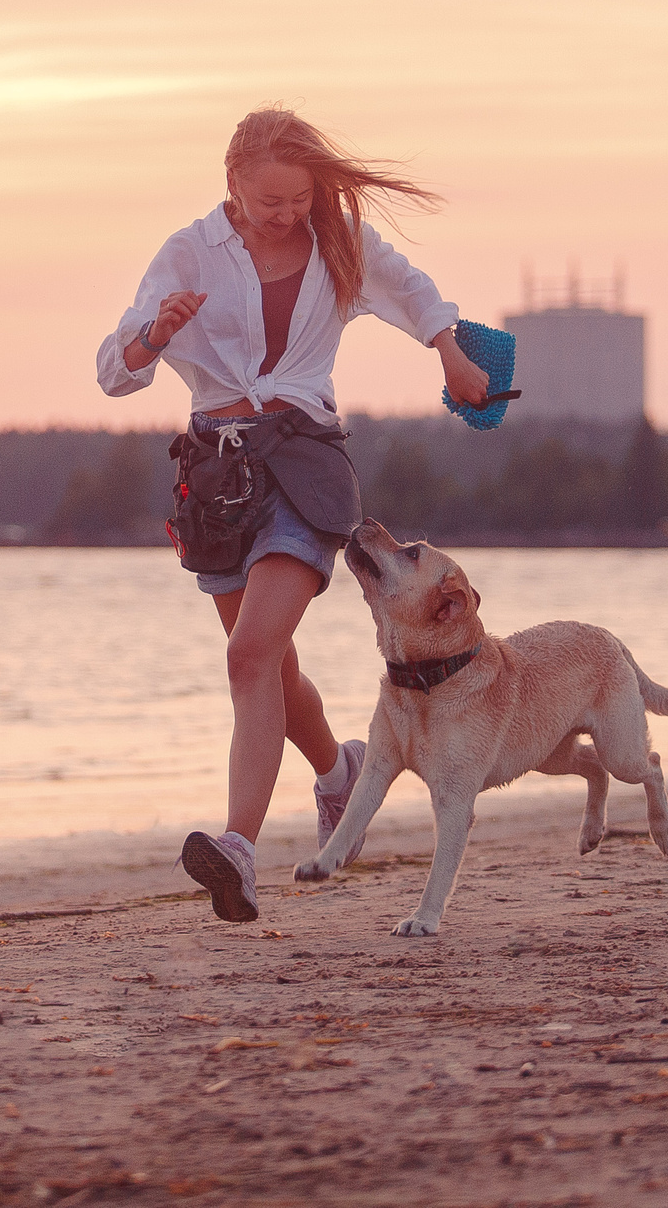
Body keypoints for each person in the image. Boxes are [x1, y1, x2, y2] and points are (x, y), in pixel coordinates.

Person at [97, 107, 491, 921]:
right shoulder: (187, 251)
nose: (286, 214)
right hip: (217, 480)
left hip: (305, 465)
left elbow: (411, 291)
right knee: (270, 668)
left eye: (299, 199)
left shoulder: (338, 241)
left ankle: (238, 849)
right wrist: (151, 334)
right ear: (232, 183)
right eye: (270, 200)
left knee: (248, 656)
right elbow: (114, 368)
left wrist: (450, 348)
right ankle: (340, 773)